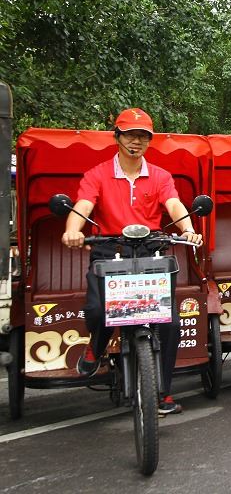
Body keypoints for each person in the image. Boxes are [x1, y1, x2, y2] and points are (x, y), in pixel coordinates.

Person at [61, 108, 203, 415]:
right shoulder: (97, 174)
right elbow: (83, 205)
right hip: (109, 250)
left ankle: (163, 391)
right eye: (129, 134)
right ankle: (96, 347)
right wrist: (72, 231)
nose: (135, 141)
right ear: (117, 137)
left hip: (150, 250)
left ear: (149, 142)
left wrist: (188, 230)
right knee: (98, 311)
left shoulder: (161, 176)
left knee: (171, 324)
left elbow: (174, 205)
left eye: (142, 136)